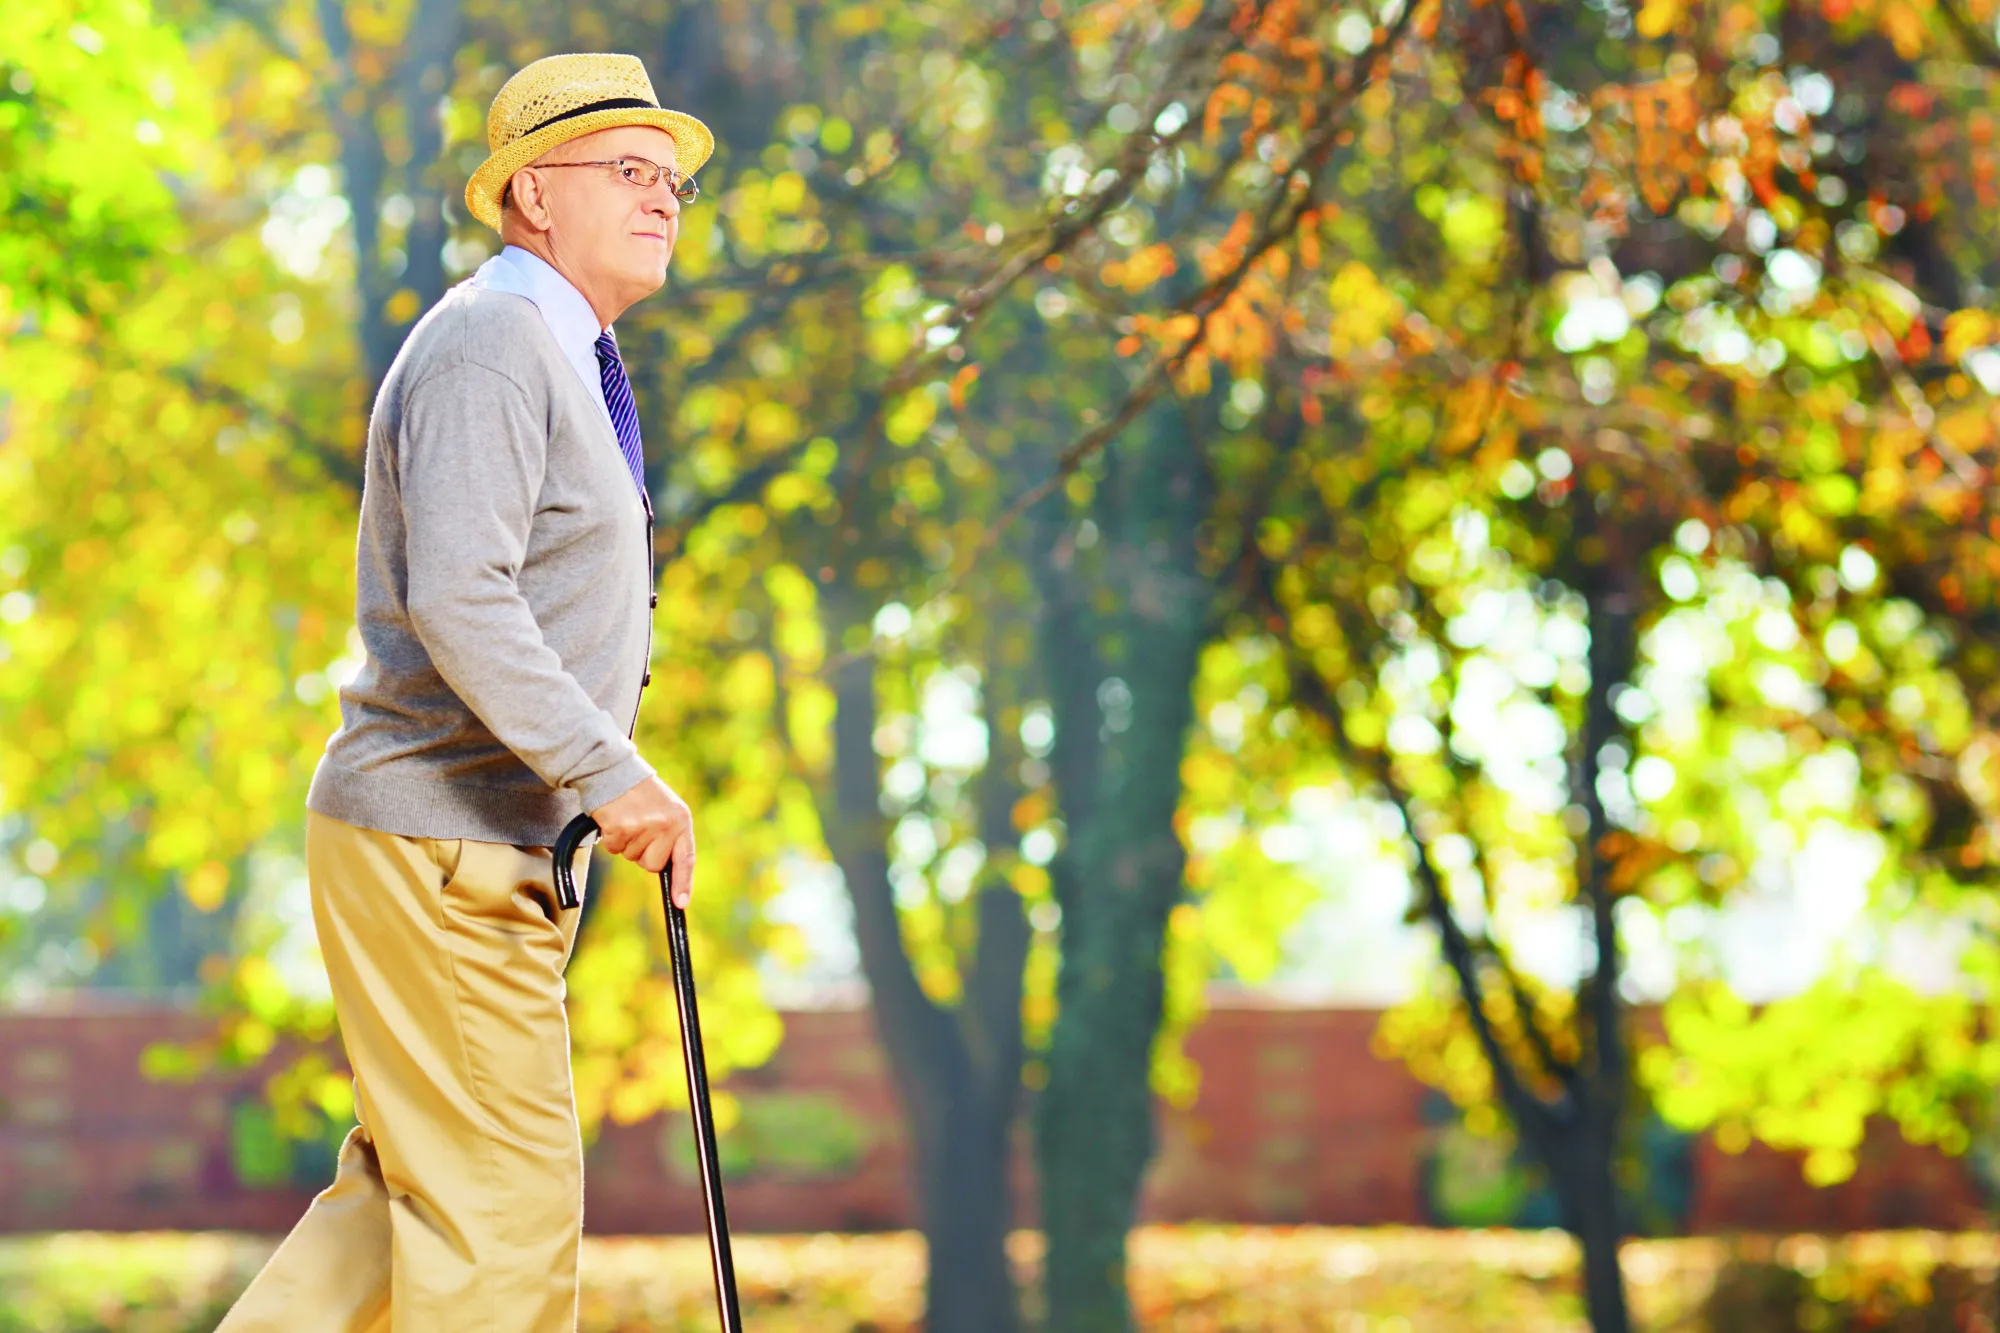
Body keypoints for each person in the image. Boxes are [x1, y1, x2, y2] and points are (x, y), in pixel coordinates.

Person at [217, 53, 713, 1333]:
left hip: (472, 841)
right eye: (628, 170)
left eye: (673, 181)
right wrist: (610, 773)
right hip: (443, 839)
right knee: (501, 1224)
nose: (662, 198)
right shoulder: (495, 344)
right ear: (533, 194)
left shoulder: (560, 351)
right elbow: (459, 593)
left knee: (402, 1212)